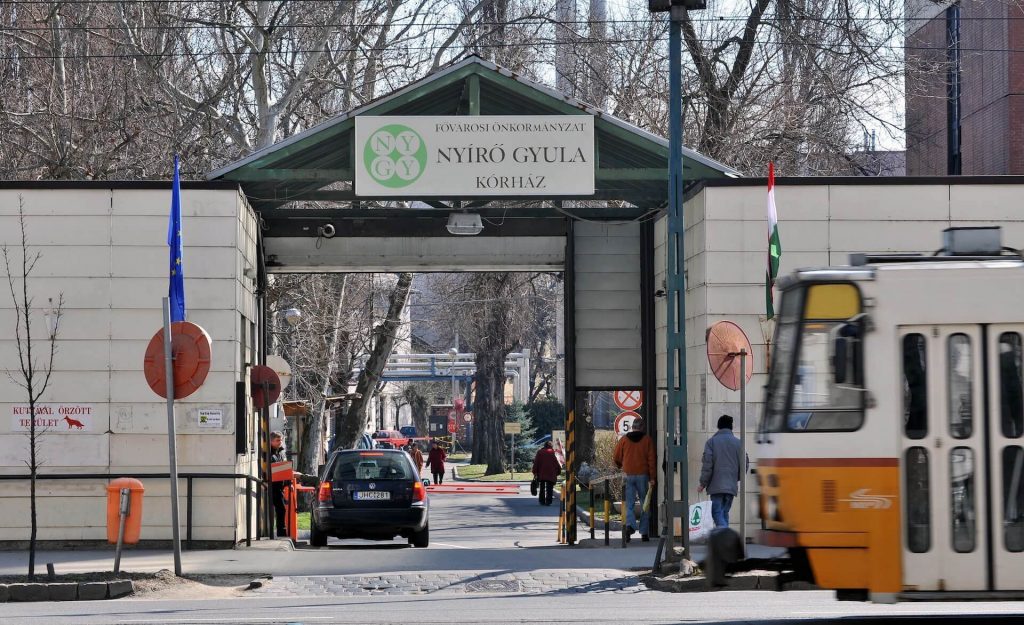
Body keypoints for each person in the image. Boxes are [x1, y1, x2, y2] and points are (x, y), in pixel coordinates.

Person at [698, 414, 746, 528]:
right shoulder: (739, 443)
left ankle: (724, 533)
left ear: (718, 426)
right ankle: (726, 537)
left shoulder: (711, 442)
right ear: (731, 427)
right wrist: (735, 477)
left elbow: (707, 465)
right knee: (724, 513)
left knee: (716, 513)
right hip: (731, 486)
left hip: (716, 486)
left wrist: (702, 483)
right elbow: (745, 464)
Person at [613, 418, 656, 542]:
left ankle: (629, 526)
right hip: (643, 475)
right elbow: (651, 460)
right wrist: (652, 477)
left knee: (629, 503)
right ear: (642, 428)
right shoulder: (647, 440)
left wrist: (620, 465)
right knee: (645, 504)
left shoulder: (624, 439)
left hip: (628, 475)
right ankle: (644, 533)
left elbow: (616, 456)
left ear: (632, 427)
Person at [269, 431, 288, 537]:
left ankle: (281, 531)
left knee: (281, 508)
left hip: (280, 485)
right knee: (281, 509)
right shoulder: (269, 453)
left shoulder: (280, 451)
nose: (280, 442)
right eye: (277, 440)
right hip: (273, 485)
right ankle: (281, 532)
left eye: (281, 440)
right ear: (271, 441)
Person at [532, 441, 561, 506]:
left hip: (541, 472)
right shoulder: (552, 452)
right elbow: (556, 462)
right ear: (551, 446)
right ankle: (548, 501)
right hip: (551, 472)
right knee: (549, 488)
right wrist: (558, 471)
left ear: (544, 445)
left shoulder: (540, 452)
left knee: (542, 487)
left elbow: (536, 462)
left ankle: (542, 501)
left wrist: (535, 471)